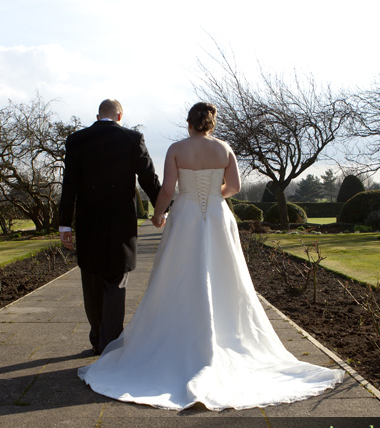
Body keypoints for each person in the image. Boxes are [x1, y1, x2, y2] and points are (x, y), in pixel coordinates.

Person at [77, 102, 344, 410]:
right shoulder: (224, 149)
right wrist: (216, 194)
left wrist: (159, 214)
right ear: (212, 124)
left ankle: (178, 333)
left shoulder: (177, 148)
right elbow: (235, 186)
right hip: (217, 216)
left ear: (188, 122)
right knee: (224, 275)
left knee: (179, 275)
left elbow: (166, 189)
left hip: (186, 216)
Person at [59, 99, 162, 355]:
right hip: (120, 226)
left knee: (91, 281)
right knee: (116, 283)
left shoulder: (76, 140)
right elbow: (149, 179)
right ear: (119, 116)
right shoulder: (132, 138)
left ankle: (97, 338)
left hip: (89, 222)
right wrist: (166, 208)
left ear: (97, 116)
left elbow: (69, 185)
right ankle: (111, 344)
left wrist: (64, 225)